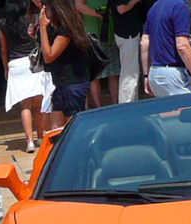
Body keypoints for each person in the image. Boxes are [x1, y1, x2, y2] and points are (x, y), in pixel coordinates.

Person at [0, 0, 45, 153]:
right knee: (39, 105)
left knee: (25, 106)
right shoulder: (32, 19)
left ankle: (29, 141)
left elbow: (4, 49)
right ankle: (40, 138)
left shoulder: (3, 23)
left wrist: (6, 68)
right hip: (33, 62)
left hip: (15, 65)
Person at [39, 0, 91, 128]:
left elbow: (49, 56)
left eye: (47, 7)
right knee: (57, 133)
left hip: (72, 85)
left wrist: (42, 28)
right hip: (61, 85)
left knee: (75, 131)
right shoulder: (55, 28)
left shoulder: (66, 29)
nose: (44, 11)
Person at [140, 0, 191, 97]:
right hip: (173, 74)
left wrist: (146, 76)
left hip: (154, 73)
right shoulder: (180, 6)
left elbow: (144, 43)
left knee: (168, 111)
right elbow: (182, 46)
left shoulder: (155, 6)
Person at [75, 0, 121, 106]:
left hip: (109, 36)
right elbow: (78, 5)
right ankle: (98, 107)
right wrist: (97, 13)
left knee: (113, 72)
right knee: (94, 75)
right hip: (91, 37)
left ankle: (116, 103)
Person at [27, 0, 55, 141]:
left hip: (56, 71)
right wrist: (36, 34)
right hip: (47, 72)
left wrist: (42, 29)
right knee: (47, 114)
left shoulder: (53, 12)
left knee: (50, 114)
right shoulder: (40, 13)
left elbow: (50, 53)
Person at [109, 0, 145, 103]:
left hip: (129, 32)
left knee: (132, 70)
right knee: (130, 72)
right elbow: (121, 9)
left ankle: (133, 100)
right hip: (127, 33)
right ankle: (127, 102)